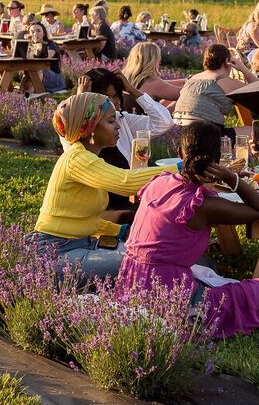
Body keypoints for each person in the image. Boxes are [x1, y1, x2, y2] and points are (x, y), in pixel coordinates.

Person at [117, 122, 259, 339]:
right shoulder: (201, 204)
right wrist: (232, 179)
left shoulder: (158, 182)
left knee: (205, 273)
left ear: (180, 153)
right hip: (170, 294)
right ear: (219, 161)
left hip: (130, 283)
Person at [32, 93, 165, 280]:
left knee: (150, 259)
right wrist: (179, 170)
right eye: (112, 121)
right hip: (54, 254)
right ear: (91, 127)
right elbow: (125, 182)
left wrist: (119, 231)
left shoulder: (88, 158)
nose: (118, 126)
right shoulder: (77, 159)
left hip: (76, 247)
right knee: (140, 264)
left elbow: (80, 218)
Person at [70, 68, 176, 223]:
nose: (111, 103)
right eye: (105, 97)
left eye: (114, 96)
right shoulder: (72, 129)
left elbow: (164, 123)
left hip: (125, 201)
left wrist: (132, 90)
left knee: (167, 208)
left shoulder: (122, 121)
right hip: (95, 210)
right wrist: (82, 101)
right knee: (152, 215)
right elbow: (75, 135)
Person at [173, 44, 258, 131]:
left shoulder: (193, 78)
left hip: (177, 132)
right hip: (205, 134)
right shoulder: (225, 81)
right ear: (227, 62)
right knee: (257, 132)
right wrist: (243, 68)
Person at [122, 42, 187, 104]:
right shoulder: (153, 83)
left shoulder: (126, 79)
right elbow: (188, 95)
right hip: (144, 115)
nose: (159, 62)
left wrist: (184, 81)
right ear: (152, 61)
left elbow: (164, 85)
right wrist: (195, 84)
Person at [21, 22, 67, 94]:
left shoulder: (50, 45)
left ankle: (27, 94)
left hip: (53, 77)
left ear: (44, 33)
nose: (35, 34)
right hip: (38, 74)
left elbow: (45, 58)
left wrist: (36, 46)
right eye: (32, 32)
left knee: (39, 70)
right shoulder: (30, 45)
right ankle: (23, 92)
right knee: (29, 72)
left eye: (38, 31)